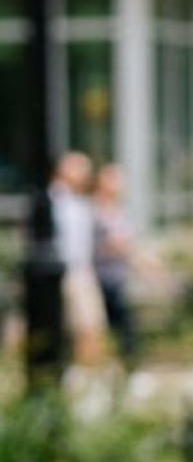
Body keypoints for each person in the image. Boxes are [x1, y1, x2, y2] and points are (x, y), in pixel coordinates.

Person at [49, 150, 107, 365]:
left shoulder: (82, 203)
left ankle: (87, 376)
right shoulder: (54, 201)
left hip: (80, 271)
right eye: (80, 168)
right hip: (62, 272)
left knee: (90, 328)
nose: (86, 173)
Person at [93, 163, 139, 367]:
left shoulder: (119, 210)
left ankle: (126, 369)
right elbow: (117, 244)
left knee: (124, 327)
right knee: (107, 328)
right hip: (100, 277)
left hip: (118, 277)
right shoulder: (95, 210)